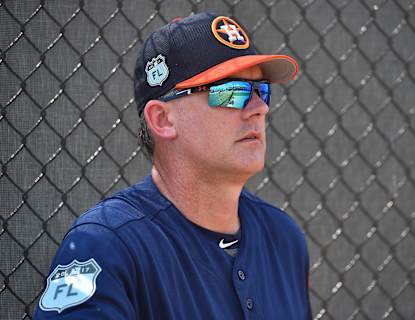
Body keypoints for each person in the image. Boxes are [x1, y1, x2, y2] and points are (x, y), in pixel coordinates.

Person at [34, 11, 312, 319]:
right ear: (163, 119)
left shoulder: (284, 239)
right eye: (231, 92)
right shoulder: (105, 244)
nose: (259, 108)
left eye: (261, 91)